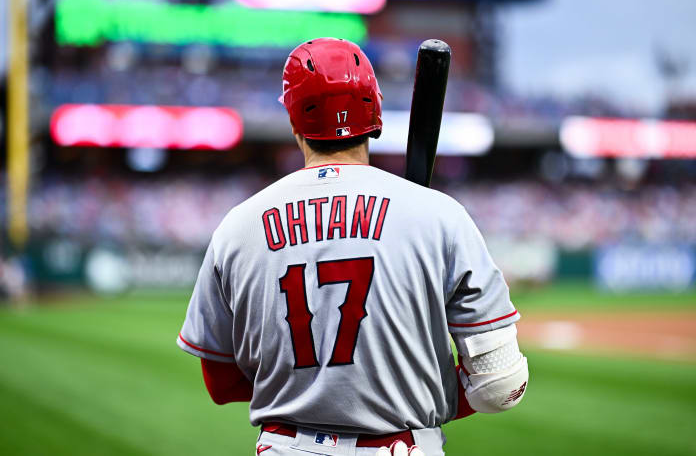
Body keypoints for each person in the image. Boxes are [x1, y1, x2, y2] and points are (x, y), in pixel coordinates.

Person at [177, 38, 528, 456]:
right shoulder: (441, 216)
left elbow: (220, 384)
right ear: (375, 116)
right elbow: (500, 383)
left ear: (294, 121)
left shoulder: (237, 226)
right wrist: (424, 391)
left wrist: (311, 387)